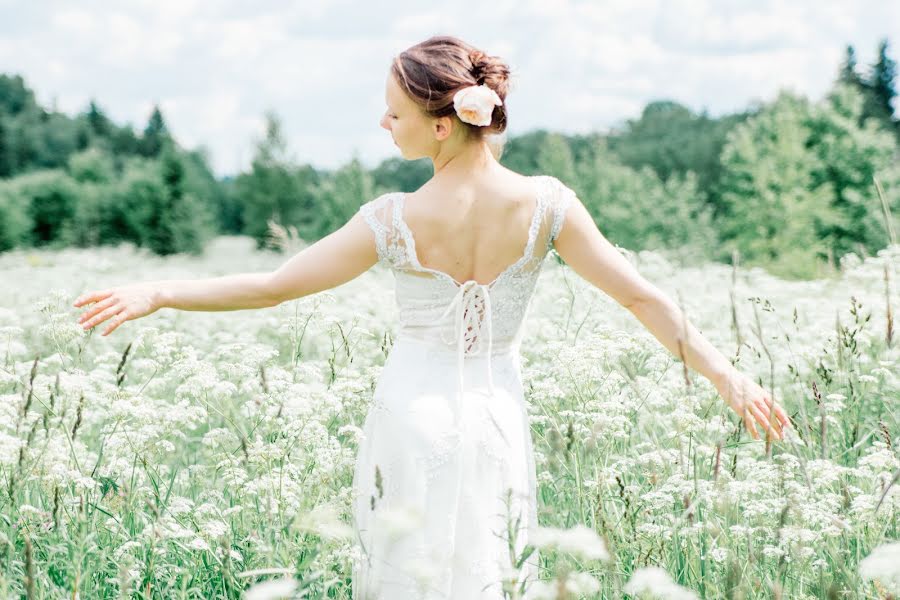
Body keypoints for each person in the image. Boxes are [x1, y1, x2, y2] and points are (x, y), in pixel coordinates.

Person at [72, 35, 791, 600]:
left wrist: (161, 291)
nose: (383, 123)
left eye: (395, 112)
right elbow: (642, 297)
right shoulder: (546, 206)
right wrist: (728, 378)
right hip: (494, 417)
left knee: (406, 573)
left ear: (443, 125)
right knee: (490, 568)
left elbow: (273, 286)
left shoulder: (393, 218)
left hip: (409, 416)